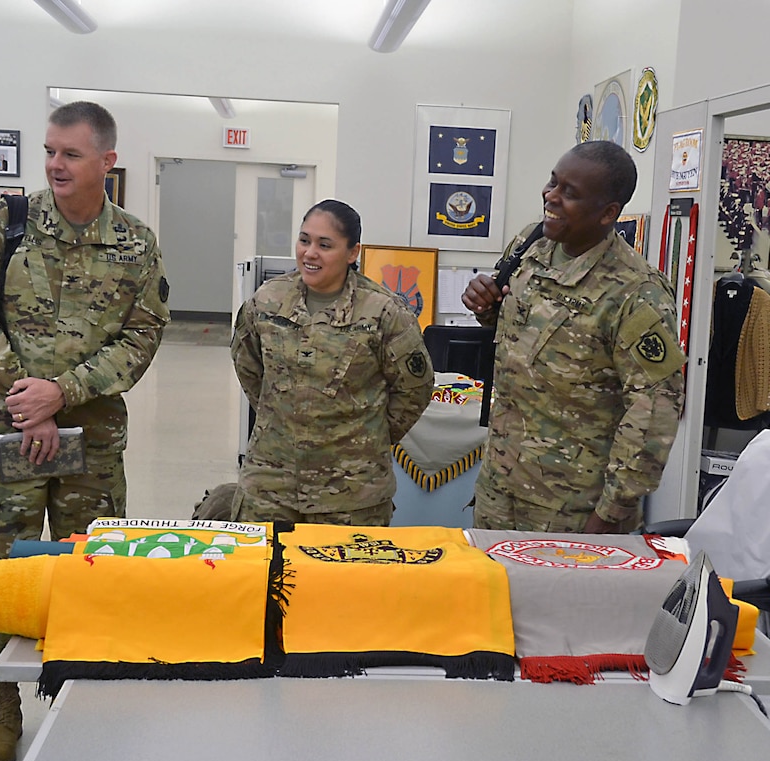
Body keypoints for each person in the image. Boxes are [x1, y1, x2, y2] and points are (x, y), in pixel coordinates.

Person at [0, 100, 170, 761]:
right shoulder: (7, 224)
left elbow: (144, 334)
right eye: (49, 150)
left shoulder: (135, 242)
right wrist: (29, 396)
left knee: (87, 565)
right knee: (3, 564)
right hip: (7, 431)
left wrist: (64, 392)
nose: (54, 164)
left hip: (89, 437)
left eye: (70, 153)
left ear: (107, 160)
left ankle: (81, 695)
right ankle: (3, 704)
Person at [461, 140, 685, 534]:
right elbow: (513, 328)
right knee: (491, 594)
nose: (551, 197)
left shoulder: (636, 292)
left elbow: (655, 412)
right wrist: (485, 305)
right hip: (500, 484)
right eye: (553, 182)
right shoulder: (530, 245)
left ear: (608, 213)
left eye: (570, 193)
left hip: (573, 508)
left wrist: (609, 515)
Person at [231, 199, 434, 526]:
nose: (310, 253)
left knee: (343, 578)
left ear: (352, 253)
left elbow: (415, 390)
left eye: (325, 245)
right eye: (304, 240)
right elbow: (250, 368)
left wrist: (366, 439)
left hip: (351, 493)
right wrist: (286, 419)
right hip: (270, 486)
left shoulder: (383, 313)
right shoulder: (267, 301)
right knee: (264, 575)